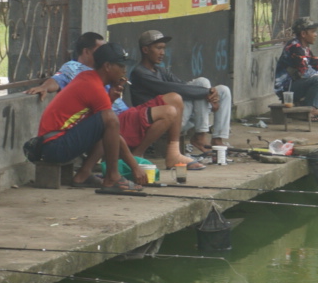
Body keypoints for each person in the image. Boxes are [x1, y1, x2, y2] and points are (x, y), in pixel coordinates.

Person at [33, 42, 196, 189]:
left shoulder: (89, 78)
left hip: (55, 143)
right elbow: (111, 127)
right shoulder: (93, 86)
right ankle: (112, 177)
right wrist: (135, 167)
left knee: (107, 122)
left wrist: (110, 98)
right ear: (107, 66)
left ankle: (83, 175)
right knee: (110, 119)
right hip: (53, 146)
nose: (125, 71)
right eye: (121, 66)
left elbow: (93, 122)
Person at [130, 28, 229, 159]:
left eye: (164, 48)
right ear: (145, 50)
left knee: (223, 91)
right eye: (158, 48)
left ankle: (217, 139)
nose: (162, 53)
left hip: (181, 117)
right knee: (201, 84)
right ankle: (200, 136)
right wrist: (206, 93)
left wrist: (211, 96)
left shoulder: (160, 70)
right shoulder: (140, 73)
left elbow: (182, 85)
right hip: (160, 122)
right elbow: (170, 88)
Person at [30, 31, 107, 99]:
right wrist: (44, 87)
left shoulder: (105, 68)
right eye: (100, 50)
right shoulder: (73, 68)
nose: (104, 53)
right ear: (86, 52)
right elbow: (57, 80)